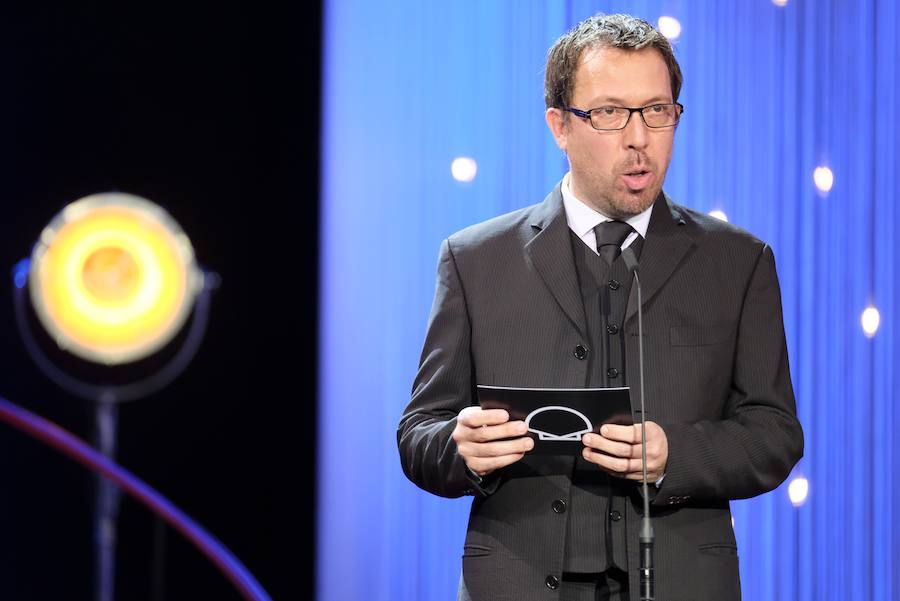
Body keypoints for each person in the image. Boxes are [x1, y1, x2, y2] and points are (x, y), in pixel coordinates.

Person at [397, 13, 803, 601]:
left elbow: (775, 433)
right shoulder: (476, 260)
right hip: (517, 580)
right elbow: (418, 434)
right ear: (559, 125)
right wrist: (462, 449)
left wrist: (675, 455)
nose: (639, 138)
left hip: (682, 580)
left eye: (657, 111)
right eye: (610, 113)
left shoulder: (738, 262)